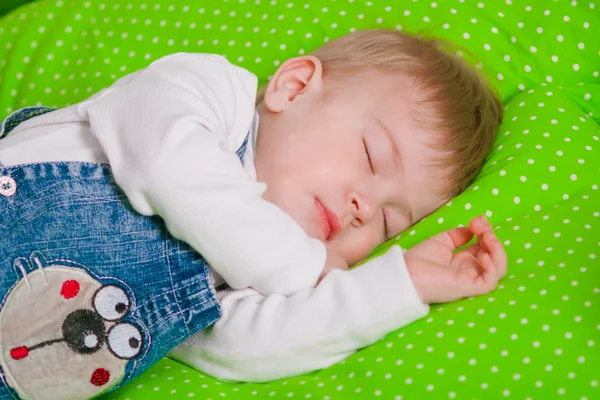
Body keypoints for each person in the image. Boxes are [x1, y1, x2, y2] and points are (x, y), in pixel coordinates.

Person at [0, 29, 505, 398]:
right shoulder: (207, 93)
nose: (363, 209)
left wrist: (400, 286)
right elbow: (165, 164)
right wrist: (305, 266)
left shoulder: (241, 277)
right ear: (296, 86)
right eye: (371, 156)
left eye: (389, 223)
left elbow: (244, 346)